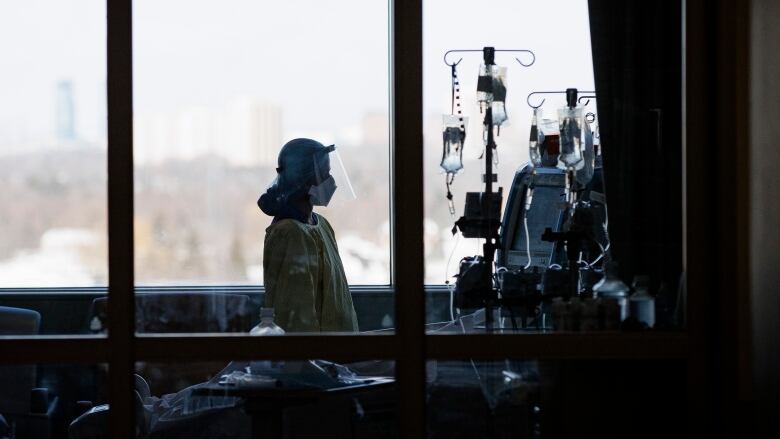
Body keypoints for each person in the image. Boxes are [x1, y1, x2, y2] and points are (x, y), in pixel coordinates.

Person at [257, 138, 359, 332]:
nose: (331, 181)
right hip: (317, 358)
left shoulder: (321, 225)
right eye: (325, 174)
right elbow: (295, 316)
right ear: (304, 179)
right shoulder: (288, 233)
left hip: (339, 354)